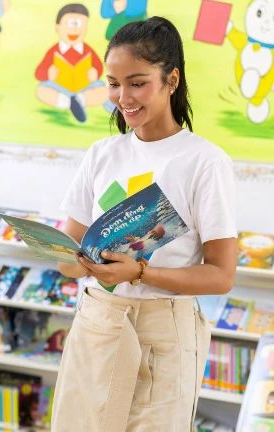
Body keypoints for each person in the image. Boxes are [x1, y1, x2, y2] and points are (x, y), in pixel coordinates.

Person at [52, 17, 237, 431]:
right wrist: (68, 257)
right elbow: (69, 250)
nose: (123, 97)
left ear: (171, 80)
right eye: (114, 83)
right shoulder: (102, 153)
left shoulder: (204, 162)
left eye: (137, 82)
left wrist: (139, 271)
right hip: (98, 320)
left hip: (164, 330)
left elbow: (222, 275)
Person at [34, 3, 112, 123]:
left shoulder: (87, 50)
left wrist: (95, 73)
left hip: (84, 87)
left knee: (103, 91)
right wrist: (48, 73)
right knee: (42, 90)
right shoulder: (54, 51)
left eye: (80, 25)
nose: (75, 30)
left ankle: (79, 100)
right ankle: (68, 102)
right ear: (58, 28)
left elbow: (98, 65)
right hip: (60, 88)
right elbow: (39, 72)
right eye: (70, 24)